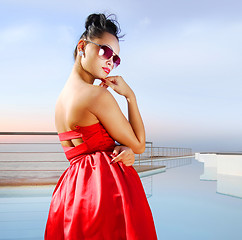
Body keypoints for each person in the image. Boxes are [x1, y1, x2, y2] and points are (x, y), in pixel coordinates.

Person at [44, 13, 158, 240]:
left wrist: (121, 149)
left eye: (115, 59)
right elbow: (139, 144)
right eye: (105, 51)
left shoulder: (59, 102)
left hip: (71, 194)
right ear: (82, 47)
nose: (110, 61)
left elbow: (85, 151)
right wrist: (130, 97)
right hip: (105, 193)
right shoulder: (96, 95)